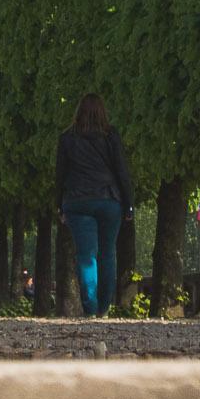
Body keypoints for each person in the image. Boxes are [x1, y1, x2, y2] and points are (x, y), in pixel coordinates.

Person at [57, 93, 137, 318]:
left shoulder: (67, 139)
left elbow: (60, 175)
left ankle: (90, 307)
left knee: (86, 255)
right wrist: (129, 204)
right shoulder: (111, 136)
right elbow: (122, 171)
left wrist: (59, 207)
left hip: (78, 201)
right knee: (107, 253)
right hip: (108, 200)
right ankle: (103, 308)